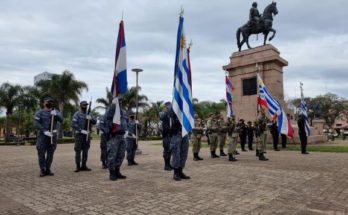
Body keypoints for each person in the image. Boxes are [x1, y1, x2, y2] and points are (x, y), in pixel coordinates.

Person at [34, 97, 63, 177]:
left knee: (50, 153)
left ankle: (48, 169)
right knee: (41, 152)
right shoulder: (39, 112)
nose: (49, 103)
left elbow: (61, 120)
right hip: (43, 136)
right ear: (44, 103)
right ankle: (42, 169)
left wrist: (56, 115)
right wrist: (44, 131)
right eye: (48, 102)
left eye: (51, 102)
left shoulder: (56, 111)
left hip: (52, 136)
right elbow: (36, 123)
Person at [104, 99, 128, 181]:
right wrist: (109, 131)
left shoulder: (124, 112)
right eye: (118, 103)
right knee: (112, 155)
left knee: (121, 155)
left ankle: (117, 171)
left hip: (122, 136)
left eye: (121, 103)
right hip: (114, 136)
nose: (120, 104)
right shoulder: (110, 112)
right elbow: (102, 124)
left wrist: (126, 131)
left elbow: (126, 123)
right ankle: (112, 172)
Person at [71, 101, 97, 172]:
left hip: (87, 135)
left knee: (85, 150)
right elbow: (73, 124)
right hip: (79, 135)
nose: (85, 106)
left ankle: (84, 165)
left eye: (86, 105)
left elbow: (95, 121)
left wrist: (90, 118)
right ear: (80, 105)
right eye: (84, 105)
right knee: (78, 150)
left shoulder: (89, 114)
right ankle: (78, 166)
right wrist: (81, 130)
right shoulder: (77, 114)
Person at [169, 108, 190, 181]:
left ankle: (180, 171)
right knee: (176, 152)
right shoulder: (175, 105)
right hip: (176, 133)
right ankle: (176, 172)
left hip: (185, 132)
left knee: (184, 152)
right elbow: (169, 114)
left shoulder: (185, 106)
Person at [159, 102, 173, 171]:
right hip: (166, 134)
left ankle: (169, 164)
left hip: (171, 134)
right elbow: (161, 117)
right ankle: (166, 165)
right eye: (169, 106)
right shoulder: (163, 112)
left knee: (170, 150)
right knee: (166, 150)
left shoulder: (171, 114)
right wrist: (166, 110)